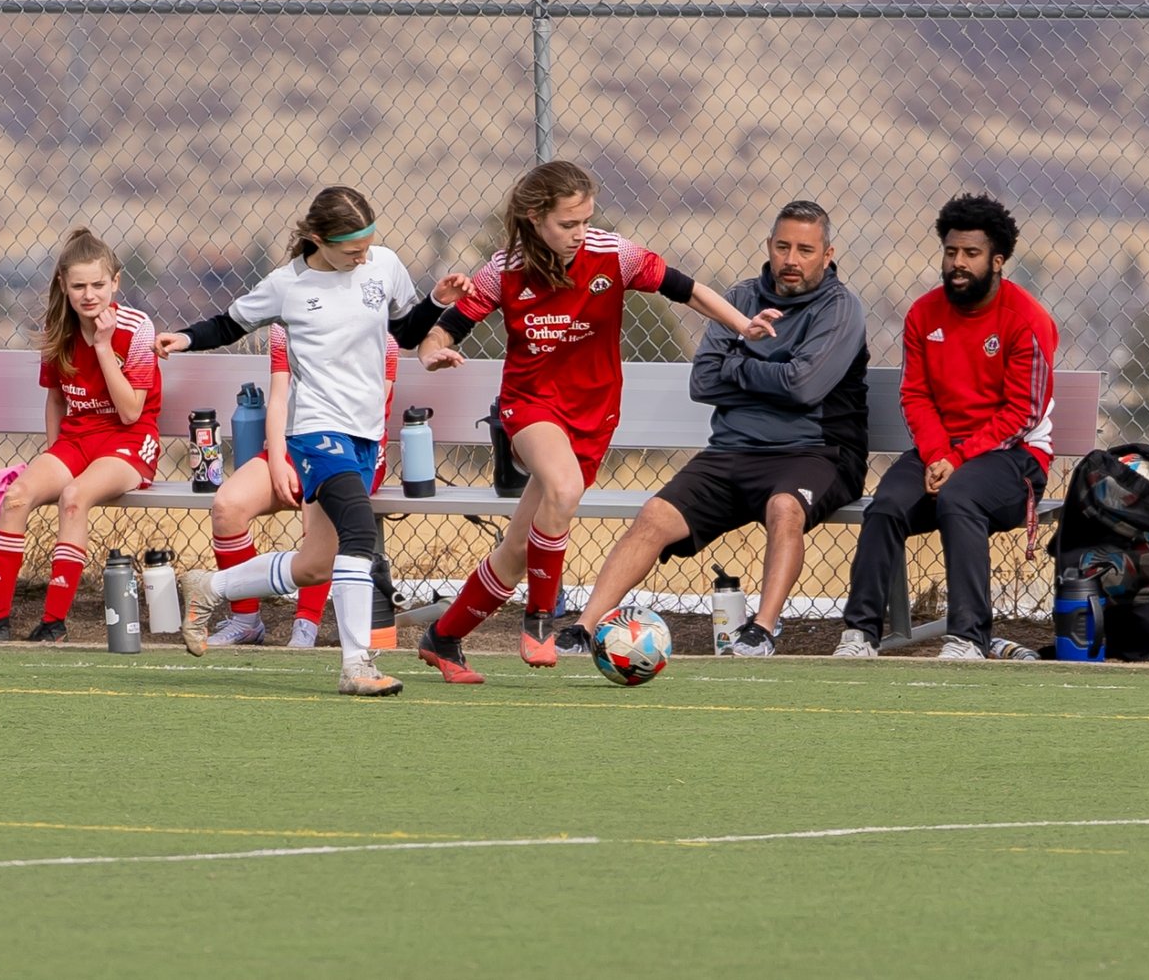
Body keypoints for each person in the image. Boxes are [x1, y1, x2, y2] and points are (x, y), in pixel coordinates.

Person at [411, 161, 782, 684]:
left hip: (594, 417)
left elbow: (687, 289)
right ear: (536, 218)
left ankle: (443, 638)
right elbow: (445, 330)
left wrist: (744, 324)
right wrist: (431, 352)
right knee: (562, 487)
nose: (580, 233)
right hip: (530, 405)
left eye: (586, 220)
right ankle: (541, 619)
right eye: (568, 223)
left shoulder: (613, 254)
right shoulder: (503, 270)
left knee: (517, 551)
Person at [156, 186, 473, 697]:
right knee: (359, 535)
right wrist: (185, 338)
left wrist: (436, 302)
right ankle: (357, 666)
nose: (362, 257)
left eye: (367, 246)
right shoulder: (287, 284)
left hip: (365, 432)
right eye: (352, 249)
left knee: (316, 564)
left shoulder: (384, 265)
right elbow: (229, 323)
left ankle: (209, 587)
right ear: (318, 239)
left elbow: (405, 333)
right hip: (315, 429)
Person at [566, 199, 871, 658]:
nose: (791, 259)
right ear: (769, 246)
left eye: (805, 250)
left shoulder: (840, 308)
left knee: (785, 508)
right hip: (730, 453)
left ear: (827, 256)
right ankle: (583, 628)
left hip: (815, 453)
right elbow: (703, 380)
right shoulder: (742, 298)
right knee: (654, 516)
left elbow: (804, 387)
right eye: (783, 247)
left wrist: (739, 367)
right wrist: (771, 374)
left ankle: (761, 631)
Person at [834, 193, 1057, 659]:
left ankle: (968, 638)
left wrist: (956, 459)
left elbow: (1024, 412)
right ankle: (859, 635)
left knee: (959, 498)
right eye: (951, 251)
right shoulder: (923, 313)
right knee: (886, 506)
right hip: (941, 454)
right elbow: (915, 395)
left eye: (971, 253)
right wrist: (938, 455)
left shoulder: (1027, 319)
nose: (958, 263)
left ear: (997, 261)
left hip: (1014, 458)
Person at [0, 227, 162, 642]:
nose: (89, 295)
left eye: (98, 285)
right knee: (16, 496)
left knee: (74, 497)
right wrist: (54, 456)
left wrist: (103, 346)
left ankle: (54, 623)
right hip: (77, 440)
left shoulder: (137, 327)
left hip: (128, 441)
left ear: (115, 282)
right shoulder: (58, 326)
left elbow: (131, 412)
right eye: (78, 286)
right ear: (63, 284)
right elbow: (56, 399)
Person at [206, 324, 399, 649]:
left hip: (353, 449)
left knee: (319, 499)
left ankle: (306, 624)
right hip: (296, 442)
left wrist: (313, 462)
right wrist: (278, 459)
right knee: (228, 506)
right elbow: (279, 400)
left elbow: (366, 415)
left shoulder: (377, 327)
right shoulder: (288, 322)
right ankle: (245, 621)